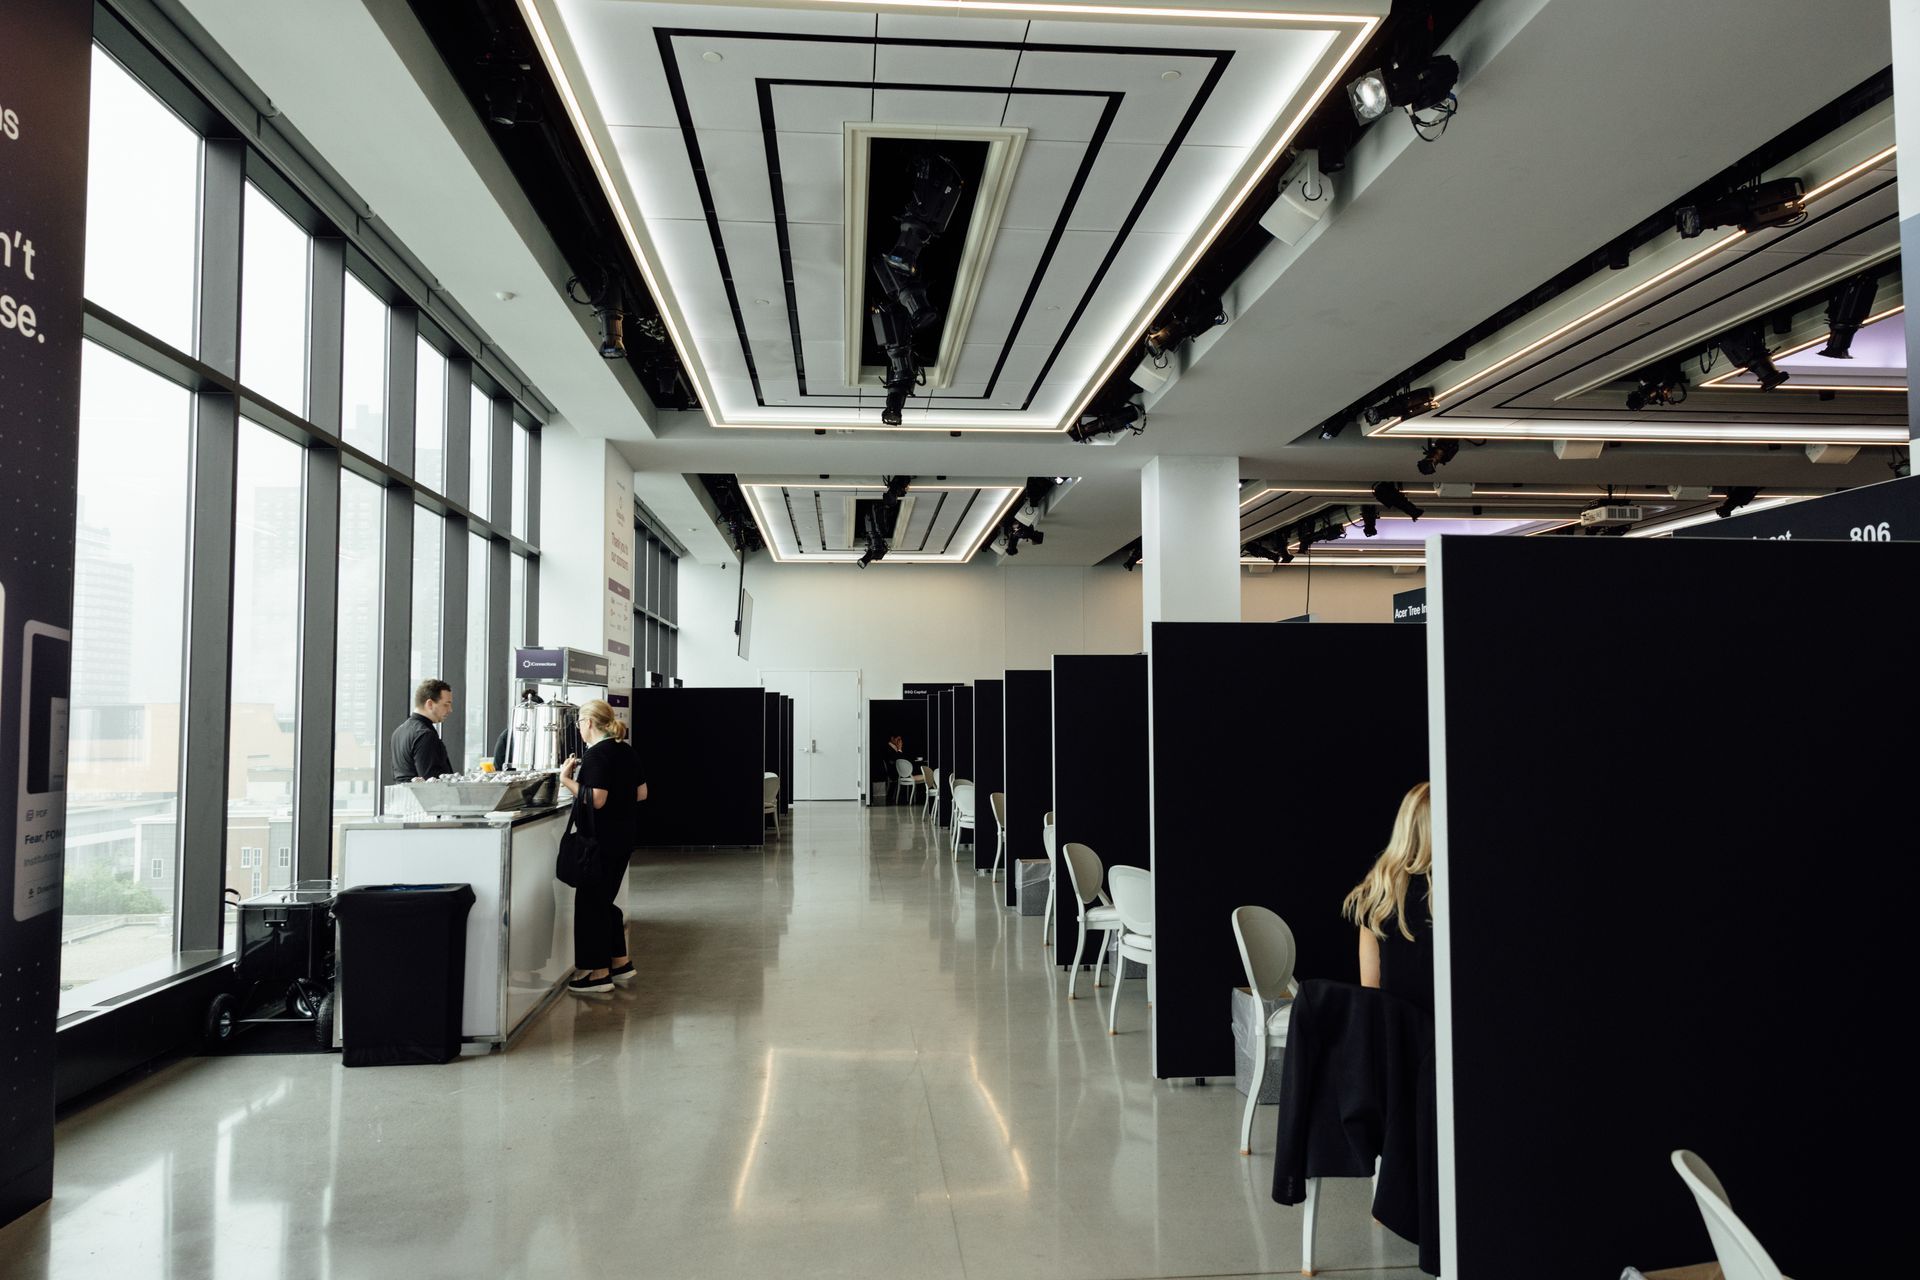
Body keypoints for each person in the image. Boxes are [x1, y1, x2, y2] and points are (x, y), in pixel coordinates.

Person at [557, 699, 648, 994]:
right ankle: (620, 962)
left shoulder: (596, 755)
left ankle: (599, 974)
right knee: (604, 901)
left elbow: (596, 799)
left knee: (590, 904)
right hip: (623, 838)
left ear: (588, 723)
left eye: (579, 724)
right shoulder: (626, 750)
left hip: (599, 842)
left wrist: (565, 779)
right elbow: (642, 793)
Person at [1341, 781, 1433, 1016]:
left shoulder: (1377, 895)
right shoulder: (1451, 894)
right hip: (1449, 1039)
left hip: (1395, 1041)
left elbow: (1370, 992)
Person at [390, 679, 455, 783]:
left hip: (404, 797)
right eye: (446, 704)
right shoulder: (425, 735)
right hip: (424, 798)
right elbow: (432, 782)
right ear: (429, 704)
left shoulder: (399, 732)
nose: (450, 709)